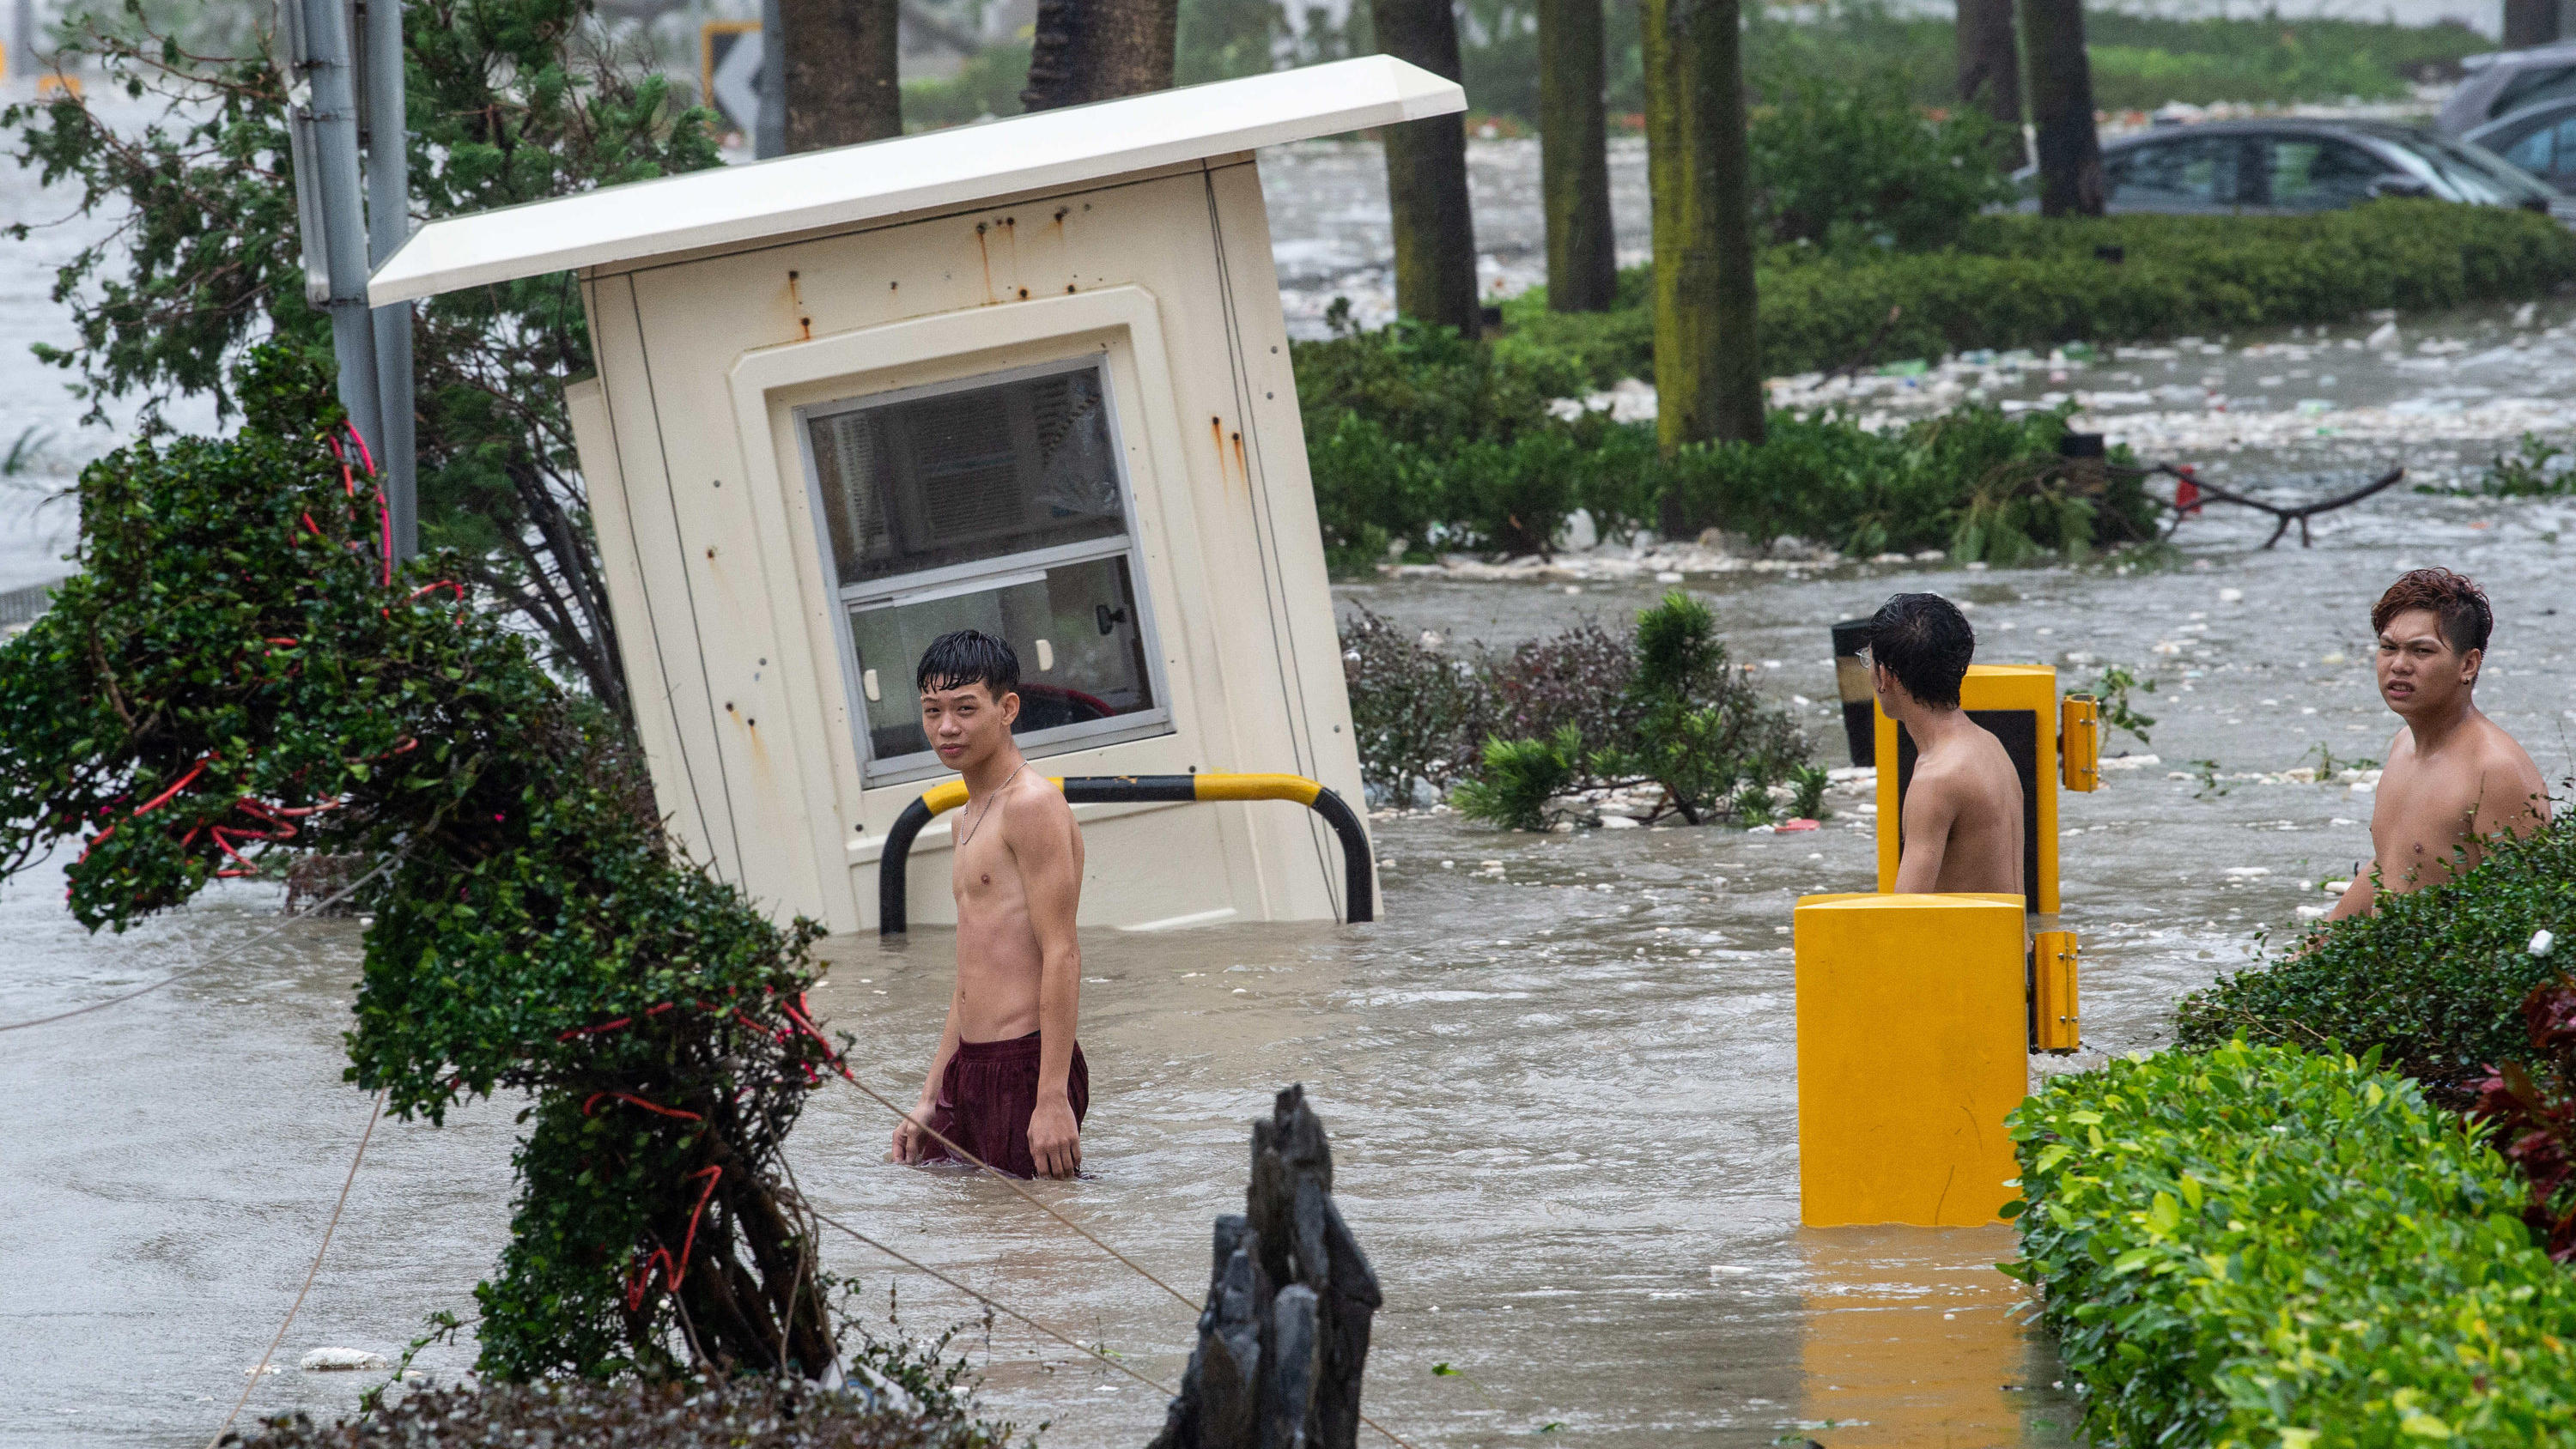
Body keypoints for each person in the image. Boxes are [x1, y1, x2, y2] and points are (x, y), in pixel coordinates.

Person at [890, 630, 1090, 1179]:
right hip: (970, 1068)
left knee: (1039, 1246)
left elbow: (1062, 952)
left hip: (1024, 1066)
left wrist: (1051, 1096)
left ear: (1008, 709)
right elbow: (971, 974)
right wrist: (931, 1095)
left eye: (964, 709)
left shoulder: (1032, 805)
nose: (946, 727)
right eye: (932, 711)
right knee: (981, 1242)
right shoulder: (963, 818)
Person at [2325, 568, 2550, 920]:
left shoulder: (2496, 770)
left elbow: (2529, 917)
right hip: (2396, 965)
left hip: (2448, 971)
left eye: (2421, 651)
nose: (2399, 665)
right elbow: (2389, 867)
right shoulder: (2403, 746)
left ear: (2468, 664)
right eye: (2388, 648)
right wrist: (2306, 957)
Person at [1868, 592, 2027, 900]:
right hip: (2012, 948)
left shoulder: (1936, 779)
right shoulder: (1989, 745)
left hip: (1971, 950)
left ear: (1885, 676)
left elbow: (1903, 917)